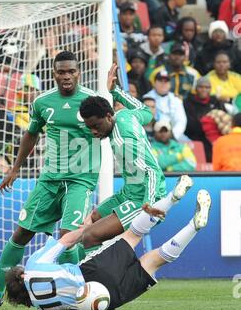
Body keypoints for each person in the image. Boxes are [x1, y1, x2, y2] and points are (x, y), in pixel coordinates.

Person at [0, 51, 101, 308]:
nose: (66, 76)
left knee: (69, 235)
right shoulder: (42, 102)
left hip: (80, 180)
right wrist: (15, 168)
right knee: (22, 233)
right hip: (49, 179)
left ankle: (79, 292)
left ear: (79, 73)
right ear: (54, 73)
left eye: (71, 71)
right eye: (61, 72)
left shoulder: (91, 101)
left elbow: (107, 127)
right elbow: (31, 134)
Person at [5, 188, 212, 310]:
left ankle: (193, 226)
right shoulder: (31, 267)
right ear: (21, 274)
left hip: (104, 299)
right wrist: (86, 229)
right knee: (132, 235)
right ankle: (171, 198)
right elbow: (66, 240)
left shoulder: (42, 307)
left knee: (154, 261)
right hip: (89, 273)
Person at [78, 65, 193, 249]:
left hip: (144, 198)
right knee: (93, 218)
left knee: (89, 236)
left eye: (95, 125)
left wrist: (149, 204)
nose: (93, 131)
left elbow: (152, 171)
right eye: (89, 127)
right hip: (129, 192)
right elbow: (146, 111)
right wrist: (115, 92)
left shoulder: (123, 140)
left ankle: (104, 276)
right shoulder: (125, 115)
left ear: (108, 116)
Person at [184, 77, 227, 162]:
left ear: (210, 89)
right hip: (194, 138)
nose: (204, 90)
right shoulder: (187, 102)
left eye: (207, 87)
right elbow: (189, 124)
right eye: (201, 87)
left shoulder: (216, 102)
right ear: (196, 88)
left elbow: (224, 120)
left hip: (213, 138)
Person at [145, 70, 188, 141]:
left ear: (170, 84)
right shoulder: (147, 98)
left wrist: (173, 135)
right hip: (153, 133)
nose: (163, 84)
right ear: (154, 83)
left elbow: (181, 121)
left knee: (191, 146)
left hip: (173, 134)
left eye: (166, 81)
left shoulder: (176, 100)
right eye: (160, 81)